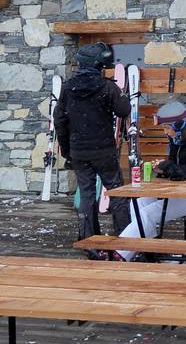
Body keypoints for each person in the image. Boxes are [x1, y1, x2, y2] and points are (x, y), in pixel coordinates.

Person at [55, 42, 131, 249]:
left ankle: (89, 241)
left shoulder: (68, 88)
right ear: (98, 65)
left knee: (87, 195)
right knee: (116, 192)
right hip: (103, 150)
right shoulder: (107, 87)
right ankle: (126, 239)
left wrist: (68, 152)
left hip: (79, 151)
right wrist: (120, 95)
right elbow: (124, 110)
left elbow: (59, 121)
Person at [116, 102, 186, 259]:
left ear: (179, 125)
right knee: (138, 203)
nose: (165, 132)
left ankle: (119, 253)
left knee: (148, 214)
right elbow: (176, 167)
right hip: (178, 192)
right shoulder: (177, 139)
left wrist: (171, 167)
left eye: (167, 128)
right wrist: (163, 169)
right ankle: (149, 250)